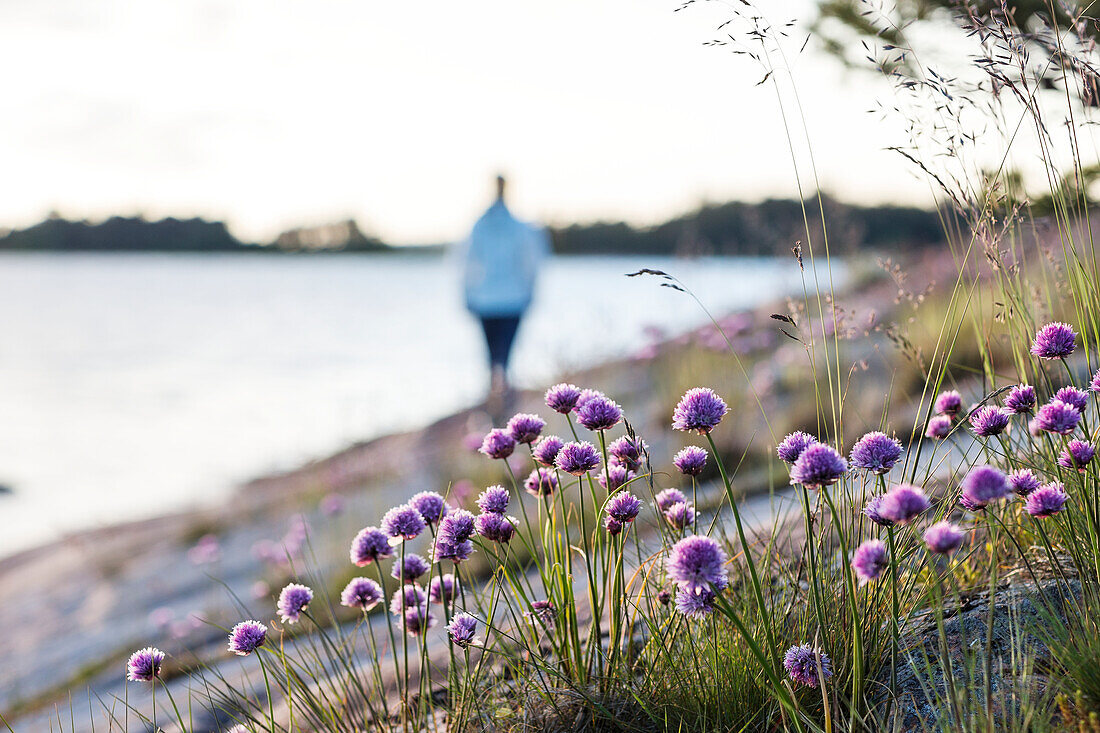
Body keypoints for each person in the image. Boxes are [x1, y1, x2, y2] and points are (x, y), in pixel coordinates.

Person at [462, 175, 550, 400]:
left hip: (489, 299)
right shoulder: (517, 226)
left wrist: (468, 294)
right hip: (509, 299)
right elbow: (532, 262)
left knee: (494, 355)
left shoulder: (481, 225)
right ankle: (499, 395)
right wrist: (530, 293)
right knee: (501, 354)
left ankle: (496, 396)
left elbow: (467, 261)